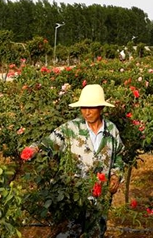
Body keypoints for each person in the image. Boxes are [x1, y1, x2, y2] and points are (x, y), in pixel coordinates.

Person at [37, 84, 125, 238]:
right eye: (83, 107)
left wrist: (116, 176)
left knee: (96, 232)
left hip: (100, 197)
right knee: (69, 233)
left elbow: (118, 156)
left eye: (91, 107)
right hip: (74, 196)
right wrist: (33, 150)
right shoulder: (70, 129)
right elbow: (48, 144)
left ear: (101, 108)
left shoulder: (111, 130)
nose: (87, 112)